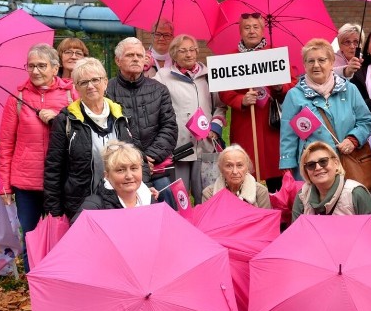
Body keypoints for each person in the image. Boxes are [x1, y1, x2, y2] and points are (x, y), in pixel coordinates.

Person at [0, 43, 76, 271]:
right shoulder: (17, 98)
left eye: (42, 65)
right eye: (31, 66)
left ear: (55, 68)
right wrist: (5, 185)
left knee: (61, 230)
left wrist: (59, 118)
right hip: (26, 182)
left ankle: (60, 274)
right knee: (30, 233)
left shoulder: (71, 94)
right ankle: (34, 280)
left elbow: (81, 131)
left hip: (61, 178)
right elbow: (6, 144)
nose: (35, 71)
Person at [43, 58, 146, 221]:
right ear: (76, 88)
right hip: (81, 204)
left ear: (105, 82)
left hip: (121, 202)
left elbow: (139, 157)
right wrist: (54, 211)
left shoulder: (122, 115)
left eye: (95, 80)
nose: (90, 86)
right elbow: (54, 168)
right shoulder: (66, 120)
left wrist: (143, 188)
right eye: (83, 82)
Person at [218, 13, 295, 192]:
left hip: (272, 127)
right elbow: (223, 91)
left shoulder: (275, 54)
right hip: (245, 124)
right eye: (247, 27)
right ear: (240, 31)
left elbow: (293, 84)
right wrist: (241, 100)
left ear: (262, 30)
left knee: (276, 175)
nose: (251, 31)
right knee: (244, 174)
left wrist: (279, 88)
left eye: (255, 27)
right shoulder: (230, 58)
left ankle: (280, 215)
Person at [279, 39, 371, 175]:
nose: (316, 65)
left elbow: (366, 121)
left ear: (331, 62)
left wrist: (353, 140)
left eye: (322, 60)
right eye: (310, 61)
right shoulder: (294, 96)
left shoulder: (350, 90)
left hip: (347, 165)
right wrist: (287, 168)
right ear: (304, 65)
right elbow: (288, 136)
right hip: (313, 169)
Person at [105, 37, 178, 206]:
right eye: (130, 55)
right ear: (118, 60)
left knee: (167, 207)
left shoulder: (159, 89)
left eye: (140, 55)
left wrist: (149, 157)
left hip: (156, 168)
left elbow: (169, 127)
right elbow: (108, 132)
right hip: (122, 170)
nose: (136, 59)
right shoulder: (107, 91)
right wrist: (136, 162)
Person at [153, 33, 226, 203]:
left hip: (206, 145)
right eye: (183, 51)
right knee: (180, 197)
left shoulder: (209, 75)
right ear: (173, 54)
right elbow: (156, 107)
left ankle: (207, 228)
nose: (189, 54)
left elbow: (220, 106)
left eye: (192, 50)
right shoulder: (163, 77)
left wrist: (215, 128)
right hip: (179, 146)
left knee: (207, 195)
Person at [291, 141, 371, 221]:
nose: (318, 168)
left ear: (336, 163)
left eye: (323, 161)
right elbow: (296, 235)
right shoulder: (302, 197)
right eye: (311, 165)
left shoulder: (355, 193)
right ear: (306, 171)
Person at [74, 141, 160, 221]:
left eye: (134, 168)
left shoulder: (150, 200)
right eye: (120, 170)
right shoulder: (93, 207)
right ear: (106, 175)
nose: (129, 176)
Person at [201, 144, 271, 208]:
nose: (235, 171)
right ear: (221, 169)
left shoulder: (260, 192)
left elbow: (267, 220)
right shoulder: (209, 194)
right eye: (229, 166)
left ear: (247, 168)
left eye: (239, 165)